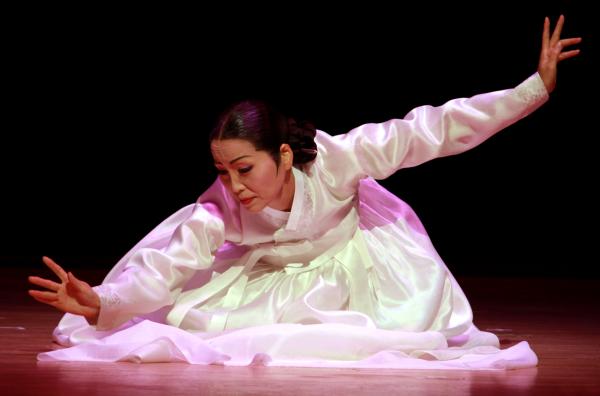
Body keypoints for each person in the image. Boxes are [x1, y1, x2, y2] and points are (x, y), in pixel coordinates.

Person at [28, 16, 580, 368]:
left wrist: (531, 91)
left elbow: (428, 130)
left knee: (400, 329)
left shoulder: (339, 159)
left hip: (355, 252)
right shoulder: (218, 208)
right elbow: (166, 268)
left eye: (244, 168)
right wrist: (105, 302)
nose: (233, 185)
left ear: (284, 155)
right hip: (278, 269)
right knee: (217, 328)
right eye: (222, 171)